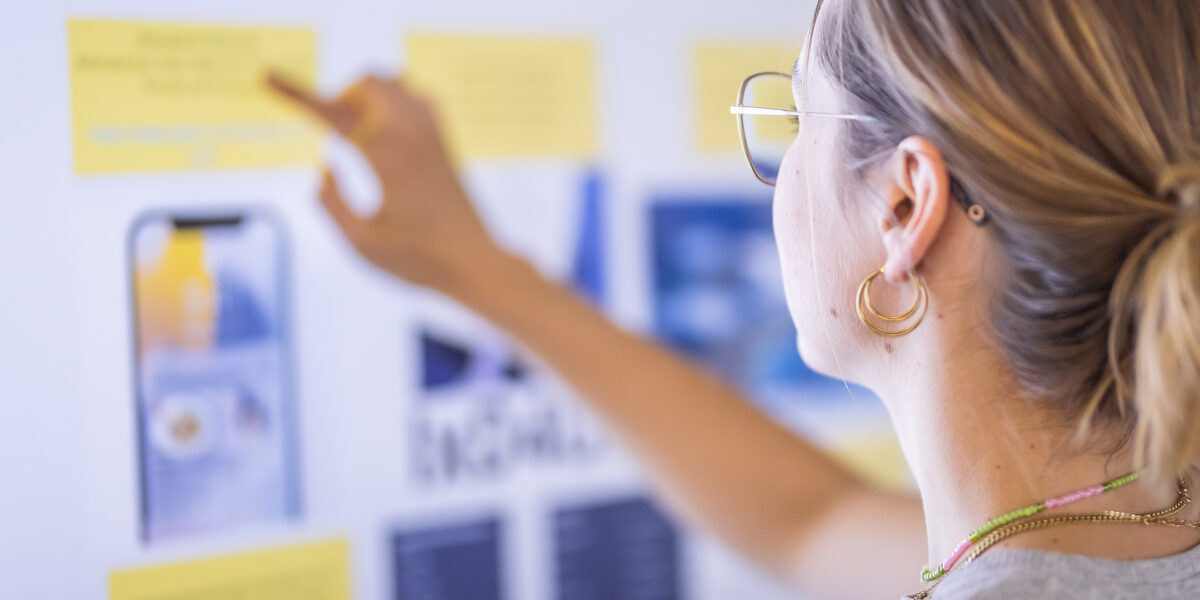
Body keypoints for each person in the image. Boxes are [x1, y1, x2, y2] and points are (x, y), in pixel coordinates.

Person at [268, 0, 1200, 597]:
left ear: (905, 205)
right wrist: (476, 266)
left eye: (797, 116)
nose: (780, 164)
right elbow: (807, 523)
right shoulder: (1143, 516)